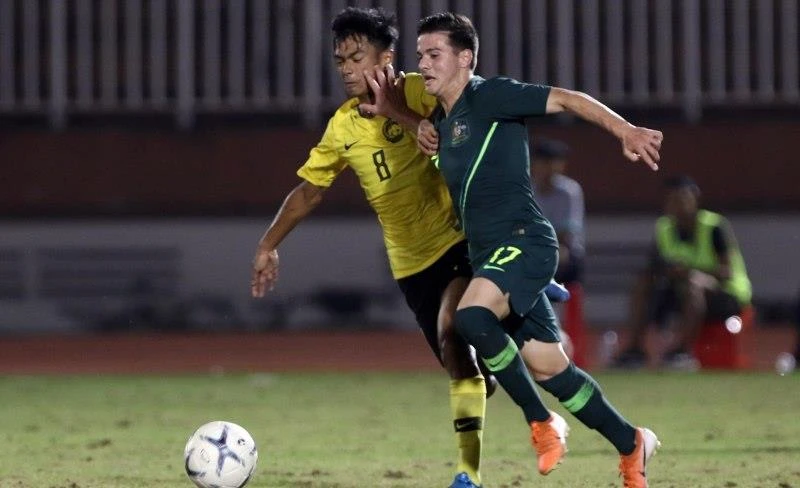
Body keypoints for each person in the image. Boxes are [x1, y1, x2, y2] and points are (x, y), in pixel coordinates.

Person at [250, 7, 542, 487]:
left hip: (460, 239)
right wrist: (268, 244)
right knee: (460, 365)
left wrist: (398, 115)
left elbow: (459, 130)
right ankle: (492, 354)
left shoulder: (419, 91)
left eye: (356, 57)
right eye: (340, 60)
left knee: (455, 329)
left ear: (386, 57)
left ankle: (468, 474)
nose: (346, 69)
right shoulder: (343, 126)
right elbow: (309, 192)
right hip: (410, 265)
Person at [396, 12, 662, 487]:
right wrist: (408, 122)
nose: (424, 64)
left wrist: (625, 129)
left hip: (525, 240)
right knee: (551, 369)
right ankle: (632, 442)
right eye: (420, 55)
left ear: (465, 58)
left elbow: (567, 98)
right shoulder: (443, 121)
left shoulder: (490, 95)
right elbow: (459, 168)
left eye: (434, 54)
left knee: (471, 317)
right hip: (493, 258)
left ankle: (541, 422)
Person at [613, 175, 753, 370]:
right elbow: (654, 267)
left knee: (692, 283)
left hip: (725, 294)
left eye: (683, 199)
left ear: (695, 199)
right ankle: (635, 349)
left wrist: (689, 271)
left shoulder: (713, 226)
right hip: (679, 290)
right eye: (672, 200)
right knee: (643, 284)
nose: (678, 206)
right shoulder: (664, 228)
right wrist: (667, 272)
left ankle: (681, 353)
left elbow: (726, 272)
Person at [530, 138, 585, 287]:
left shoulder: (569, 191)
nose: (550, 169)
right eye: (545, 163)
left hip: (562, 250)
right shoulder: (526, 190)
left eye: (555, 163)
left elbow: (565, 234)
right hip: (532, 246)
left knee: (562, 254)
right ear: (534, 164)